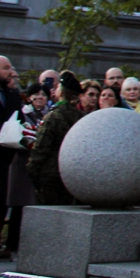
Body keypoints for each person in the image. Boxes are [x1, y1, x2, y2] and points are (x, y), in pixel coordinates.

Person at [28, 73, 86, 205]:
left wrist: (32, 170)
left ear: (62, 91)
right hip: (71, 175)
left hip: (49, 175)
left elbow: (40, 149)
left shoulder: (53, 117)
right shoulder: (82, 118)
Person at [0, 56, 23, 262]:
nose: (11, 71)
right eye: (6, 68)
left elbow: (19, 121)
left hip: (5, 159)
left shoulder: (12, 95)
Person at [3, 82, 45, 256]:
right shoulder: (23, 113)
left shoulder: (48, 115)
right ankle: (11, 244)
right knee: (18, 206)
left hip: (37, 165)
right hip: (21, 164)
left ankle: (26, 244)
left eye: (44, 94)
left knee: (31, 206)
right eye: (37, 94)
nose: (40, 97)